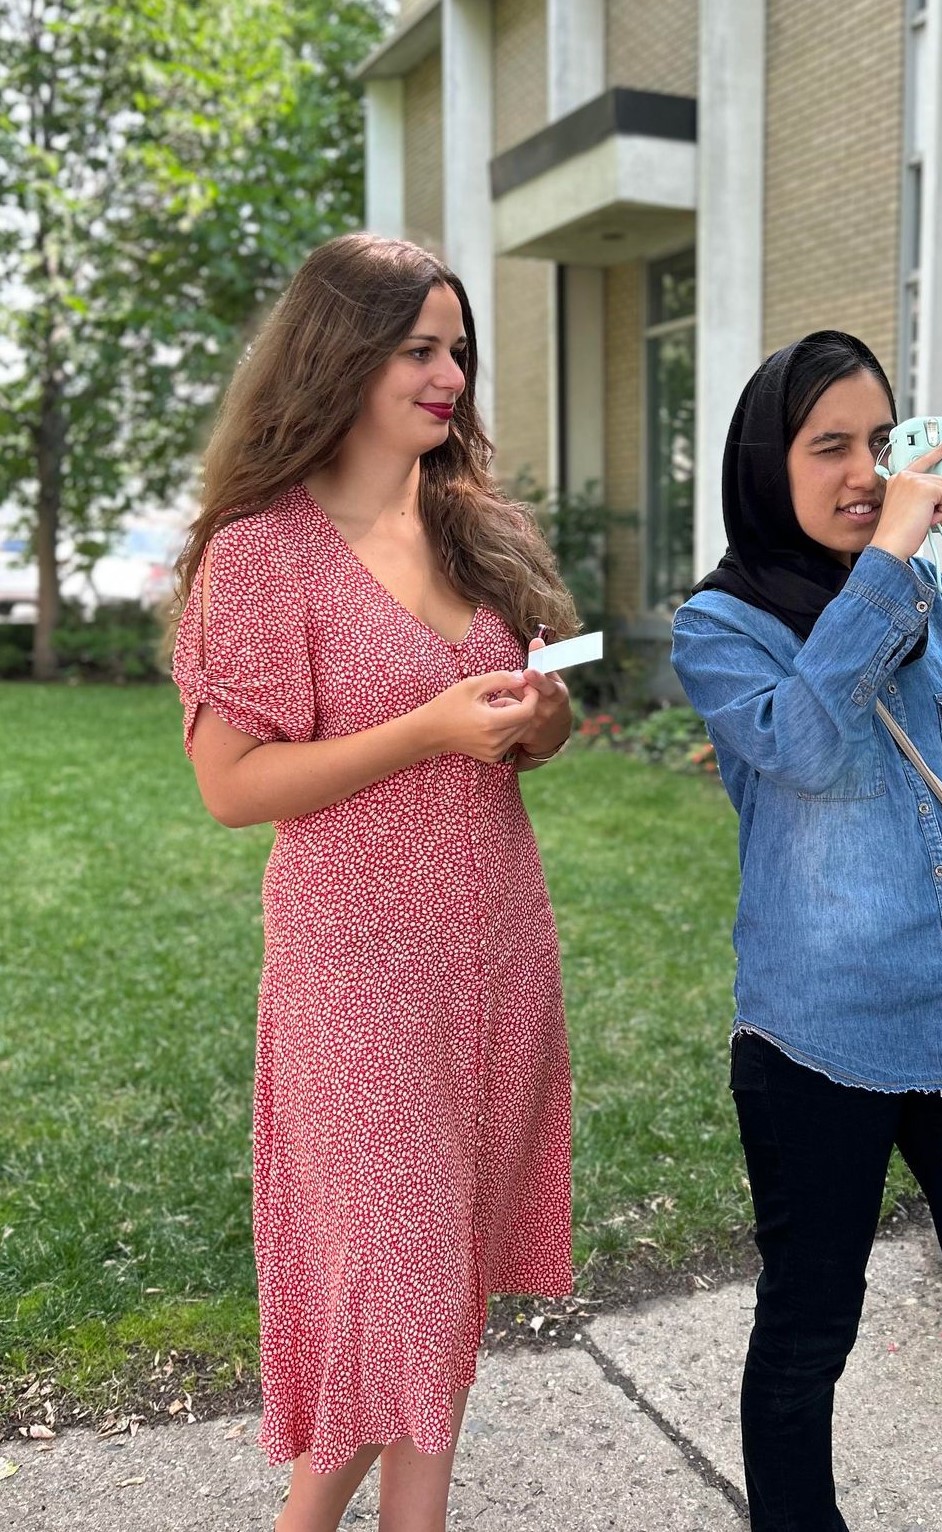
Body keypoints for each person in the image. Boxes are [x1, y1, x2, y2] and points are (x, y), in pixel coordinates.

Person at [169, 233, 579, 1532]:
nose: (450, 372)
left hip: (497, 955)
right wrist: (424, 732)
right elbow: (231, 787)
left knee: (441, 1285)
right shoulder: (263, 554)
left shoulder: (475, 526)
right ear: (340, 355)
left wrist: (540, 718)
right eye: (420, 347)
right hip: (358, 981)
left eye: (458, 349)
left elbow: (535, 732)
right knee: (391, 1285)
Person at [670, 331, 942, 1532]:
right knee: (809, 1335)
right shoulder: (722, 625)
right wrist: (900, 557)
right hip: (818, 1045)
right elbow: (804, 743)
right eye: (832, 447)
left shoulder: (939, 587)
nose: (869, 471)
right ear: (770, 462)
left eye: (884, 439)